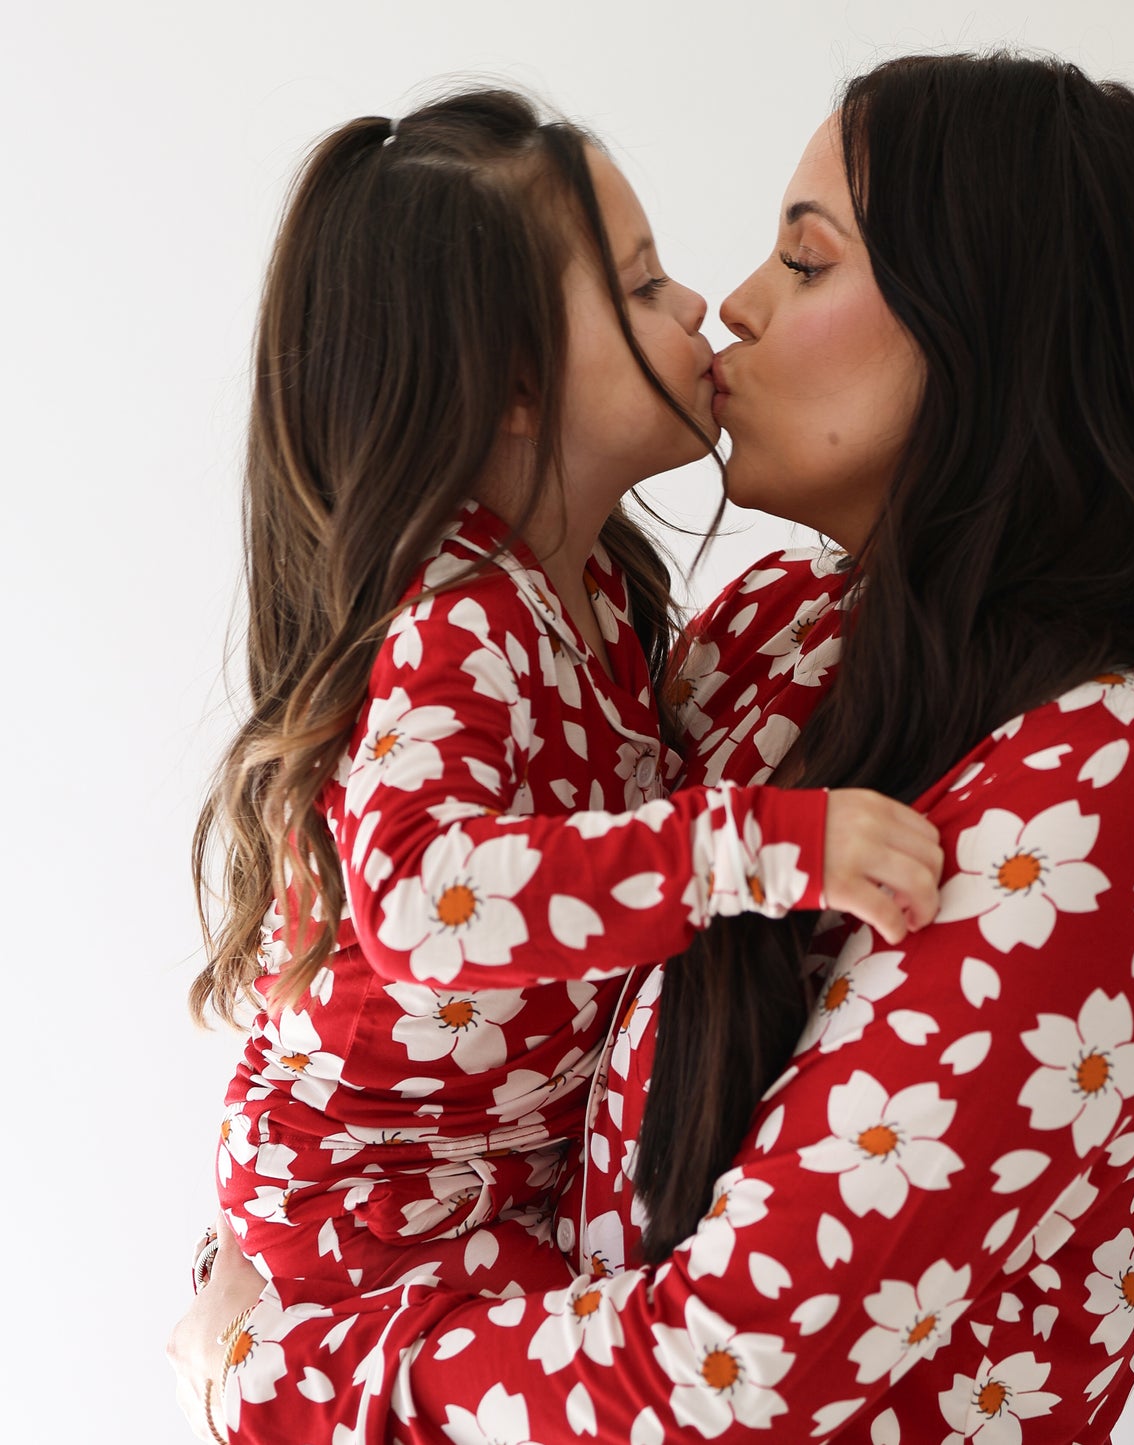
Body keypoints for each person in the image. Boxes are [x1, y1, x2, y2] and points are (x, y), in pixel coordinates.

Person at [170, 50, 1134, 1445]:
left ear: (997, 328)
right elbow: (445, 951)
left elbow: (734, 1369)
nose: (728, 303)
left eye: (806, 256)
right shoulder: (762, 635)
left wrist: (286, 1380)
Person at [187, 81, 943, 1369]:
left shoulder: (599, 595)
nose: (702, 305)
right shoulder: (464, 618)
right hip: (373, 1222)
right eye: (643, 288)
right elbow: (422, 899)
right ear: (522, 388)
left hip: (481, 1199)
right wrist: (753, 848)